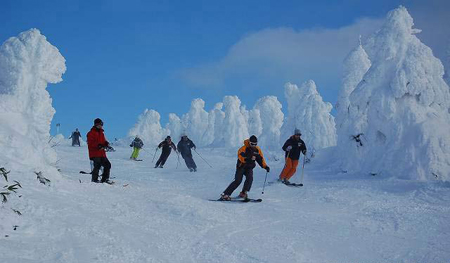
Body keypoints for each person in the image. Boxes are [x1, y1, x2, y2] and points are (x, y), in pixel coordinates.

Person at [220, 135, 270, 201]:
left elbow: (260, 159)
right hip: (241, 166)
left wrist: (265, 166)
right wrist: (249, 158)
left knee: (250, 178)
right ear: (249, 142)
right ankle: (225, 195)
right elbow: (241, 157)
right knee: (238, 181)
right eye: (252, 144)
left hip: (249, 167)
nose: (254, 145)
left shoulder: (257, 150)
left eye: (255, 144)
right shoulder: (243, 148)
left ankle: (243, 193)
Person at [86, 118, 112, 183]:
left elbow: (103, 141)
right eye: (100, 124)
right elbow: (91, 143)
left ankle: (105, 179)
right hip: (95, 153)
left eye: (102, 124)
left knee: (108, 165)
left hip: (102, 153)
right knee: (97, 165)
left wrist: (106, 143)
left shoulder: (101, 133)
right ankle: (94, 180)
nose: (101, 126)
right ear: (96, 124)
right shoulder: (91, 133)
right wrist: (98, 145)